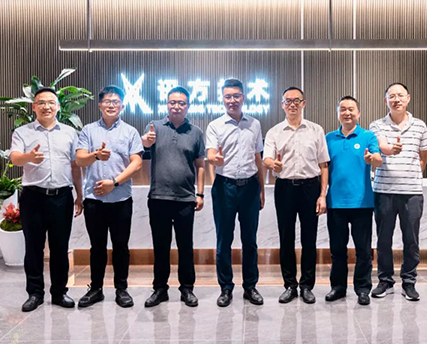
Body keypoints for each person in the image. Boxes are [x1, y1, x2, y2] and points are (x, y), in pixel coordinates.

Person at [10, 87, 83, 312]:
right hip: (33, 198)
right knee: (33, 248)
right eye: (41, 103)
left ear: (58, 107)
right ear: (34, 107)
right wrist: (28, 157)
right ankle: (35, 294)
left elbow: (75, 166)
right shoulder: (22, 132)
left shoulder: (70, 133)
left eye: (51, 102)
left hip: (62, 197)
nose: (46, 107)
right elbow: (15, 159)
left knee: (60, 248)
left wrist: (79, 195)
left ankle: (60, 292)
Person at [75, 85, 143, 308]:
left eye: (116, 102)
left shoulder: (130, 132)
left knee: (121, 246)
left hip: (121, 199)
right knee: (97, 247)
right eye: (107, 101)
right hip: (94, 200)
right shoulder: (88, 131)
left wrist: (114, 183)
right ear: (100, 105)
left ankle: (121, 289)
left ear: (122, 106)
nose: (111, 105)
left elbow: (136, 163)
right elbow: (80, 159)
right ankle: (96, 289)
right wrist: (96, 155)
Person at [264, 87, 329, 304]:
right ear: (282, 105)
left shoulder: (316, 130)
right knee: (286, 238)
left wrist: (322, 195)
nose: (292, 104)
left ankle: (307, 286)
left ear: (303, 103)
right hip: (285, 188)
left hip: (310, 187)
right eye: (288, 101)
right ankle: (290, 285)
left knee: (309, 239)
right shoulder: (274, 132)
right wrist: (273, 164)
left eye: (296, 100)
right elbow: (267, 159)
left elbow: (323, 165)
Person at [141, 86, 205, 308]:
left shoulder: (196, 132)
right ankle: (160, 289)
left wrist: (200, 193)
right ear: (167, 104)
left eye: (181, 103)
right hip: (158, 197)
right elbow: (144, 147)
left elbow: (200, 165)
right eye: (172, 102)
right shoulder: (154, 127)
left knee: (186, 246)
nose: (177, 106)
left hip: (185, 199)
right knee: (161, 247)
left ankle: (187, 289)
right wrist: (146, 141)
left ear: (188, 106)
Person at [206, 78, 265, 307]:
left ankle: (250, 286)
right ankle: (226, 288)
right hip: (224, 186)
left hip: (250, 187)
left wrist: (261, 188)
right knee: (224, 240)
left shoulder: (255, 124)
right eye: (228, 96)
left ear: (243, 97)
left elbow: (257, 157)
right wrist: (215, 159)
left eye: (236, 96)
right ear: (222, 99)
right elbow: (211, 154)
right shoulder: (215, 125)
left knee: (250, 240)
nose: (232, 100)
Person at [369, 82, 427, 301]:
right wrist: (391, 150)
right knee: (383, 240)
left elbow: (423, 158)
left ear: (408, 98)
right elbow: (382, 146)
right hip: (383, 191)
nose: (396, 99)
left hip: (411, 192)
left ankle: (409, 281)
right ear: (385, 100)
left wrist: (410, 176)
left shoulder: (420, 126)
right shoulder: (377, 125)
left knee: (411, 240)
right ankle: (385, 280)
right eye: (392, 96)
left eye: (400, 95)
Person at [325, 96, 382, 306]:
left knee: (363, 251)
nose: (347, 113)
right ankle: (338, 288)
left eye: (351, 109)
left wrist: (372, 159)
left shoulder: (368, 136)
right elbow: (323, 168)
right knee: (337, 250)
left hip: (362, 203)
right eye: (343, 109)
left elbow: (379, 159)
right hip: (335, 203)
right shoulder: (329, 138)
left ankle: (363, 289)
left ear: (358, 113)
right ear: (338, 113)